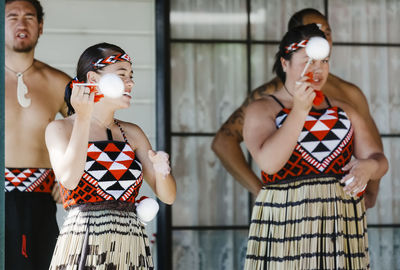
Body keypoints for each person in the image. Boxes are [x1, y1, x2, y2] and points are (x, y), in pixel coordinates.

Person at [242, 23, 388, 269]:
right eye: (308, 60)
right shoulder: (262, 109)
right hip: (287, 225)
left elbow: (379, 159)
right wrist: (300, 110)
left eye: (324, 61)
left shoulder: (345, 109)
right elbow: (269, 163)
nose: (318, 68)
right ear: (284, 63)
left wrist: (368, 167)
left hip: (338, 227)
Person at [211, 8, 383, 209]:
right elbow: (224, 142)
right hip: (288, 216)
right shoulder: (265, 100)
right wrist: (261, 191)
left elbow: (373, 151)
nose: (322, 38)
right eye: (312, 31)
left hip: (339, 213)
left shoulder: (349, 95)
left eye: (327, 32)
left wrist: (370, 192)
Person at [45, 42, 177, 269]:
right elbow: (69, 179)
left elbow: (168, 197)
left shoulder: (132, 133)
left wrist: (162, 171)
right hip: (85, 241)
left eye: (131, 75)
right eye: (122, 75)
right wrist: (84, 117)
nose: (131, 83)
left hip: (130, 244)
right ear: (94, 81)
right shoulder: (60, 129)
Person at [4, 0, 71, 269]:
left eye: (29, 17)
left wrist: (71, 181)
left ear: (40, 26)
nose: (21, 23)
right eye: (12, 16)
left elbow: (93, 131)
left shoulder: (59, 83)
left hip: (40, 200)